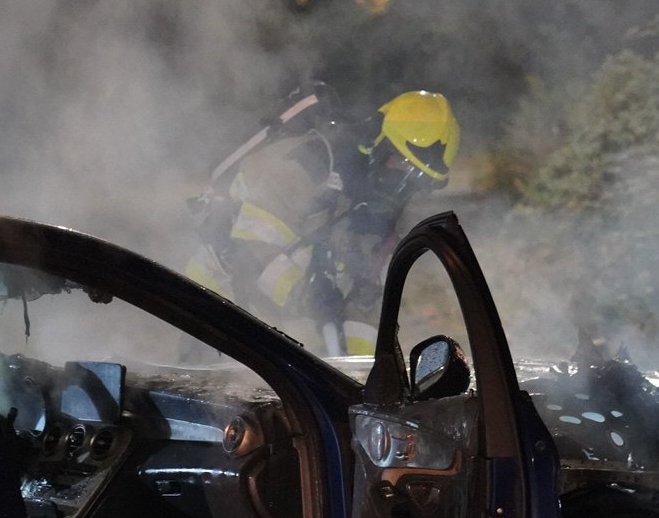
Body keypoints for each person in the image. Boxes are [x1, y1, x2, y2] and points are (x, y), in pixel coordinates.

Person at [186, 84, 460, 356]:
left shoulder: (376, 222)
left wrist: (362, 373)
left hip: (275, 333)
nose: (403, 188)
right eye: (403, 168)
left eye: (417, 181)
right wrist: (310, 296)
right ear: (380, 145)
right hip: (209, 305)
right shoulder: (308, 162)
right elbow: (252, 245)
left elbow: (365, 307)